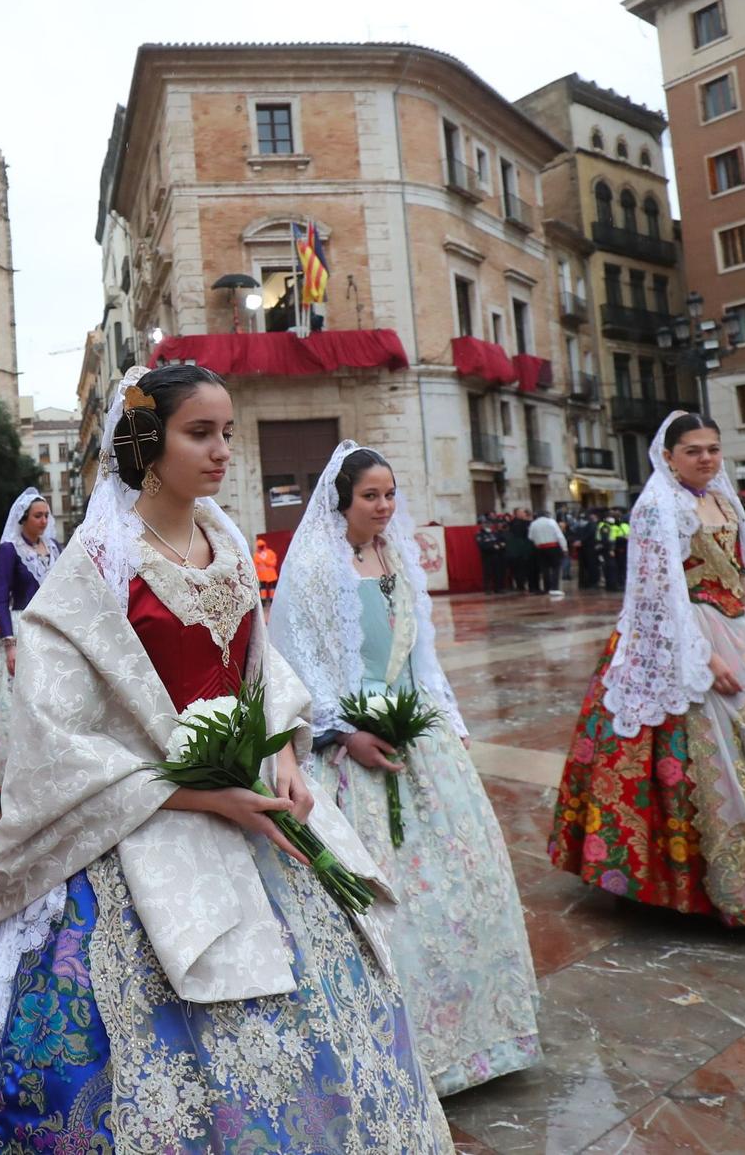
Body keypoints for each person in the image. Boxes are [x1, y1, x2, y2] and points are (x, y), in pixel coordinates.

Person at [0, 366, 452, 1152]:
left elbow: (260, 668)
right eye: (202, 432)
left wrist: (286, 752)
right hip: (138, 820)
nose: (224, 449)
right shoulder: (97, 560)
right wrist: (202, 798)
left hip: (253, 804)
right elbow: (56, 732)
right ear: (145, 443)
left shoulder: (223, 537)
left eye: (227, 431)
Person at [269, 443, 540, 1096]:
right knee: (378, 890)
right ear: (343, 499)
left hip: (415, 735)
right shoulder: (312, 564)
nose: (384, 506)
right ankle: (392, 1045)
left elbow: (420, 651)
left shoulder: (398, 554)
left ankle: (478, 1035)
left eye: (390, 494)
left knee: (462, 873)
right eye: (371, 496)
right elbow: (294, 660)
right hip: (351, 746)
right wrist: (344, 732)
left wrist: (445, 718)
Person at [547, 413, 745, 926]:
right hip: (679, 633)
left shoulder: (724, 501)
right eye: (694, 450)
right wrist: (702, 658)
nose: (706, 458)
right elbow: (655, 592)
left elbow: (743, 574)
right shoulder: (657, 507)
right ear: (669, 456)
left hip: (737, 629)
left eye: (713, 448)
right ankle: (686, 883)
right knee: (703, 755)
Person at [0, 489, 61, 792]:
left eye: (46, 515)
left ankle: (53, 770)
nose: (44, 520)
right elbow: (0, 596)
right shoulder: (9, 549)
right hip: (20, 628)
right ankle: (11, 776)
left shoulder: (55, 547)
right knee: (13, 704)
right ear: (23, 519)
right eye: (37, 516)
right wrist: (10, 642)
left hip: (51, 630)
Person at [529, 507, 568, 598]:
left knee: (544, 569)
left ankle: (547, 587)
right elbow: (559, 535)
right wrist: (564, 548)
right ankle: (554, 588)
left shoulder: (533, 524)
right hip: (553, 546)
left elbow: (530, 537)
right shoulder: (551, 522)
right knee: (556, 568)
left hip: (540, 548)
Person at [475, 516, 506, 594]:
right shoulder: (479, 534)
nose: (487, 525)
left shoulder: (495, 533)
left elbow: (502, 542)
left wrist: (500, 545)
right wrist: (493, 547)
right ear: (481, 525)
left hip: (497, 555)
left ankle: (498, 588)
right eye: (485, 523)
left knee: (497, 572)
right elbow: (481, 545)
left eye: (488, 523)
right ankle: (487, 589)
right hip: (487, 556)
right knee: (487, 573)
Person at [603, 511, 630, 591]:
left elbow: (614, 538)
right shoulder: (620, 526)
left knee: (620, 567)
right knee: (621, 567)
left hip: (620, 548)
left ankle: (621, 583)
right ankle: (620, 583)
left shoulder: (617, 526)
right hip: (620, 549)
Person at [254, 533, 281, 603]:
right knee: (263, 589)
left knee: (272, 589)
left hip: (271, 575)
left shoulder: (270, 553)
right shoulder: (256, 555)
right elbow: (255, 565)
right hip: (262, 576)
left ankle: (273, 601)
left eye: (262, 546)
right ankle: (263, 602)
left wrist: (264, 561)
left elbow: (273, 563)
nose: (261, 547)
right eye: (259, 546)